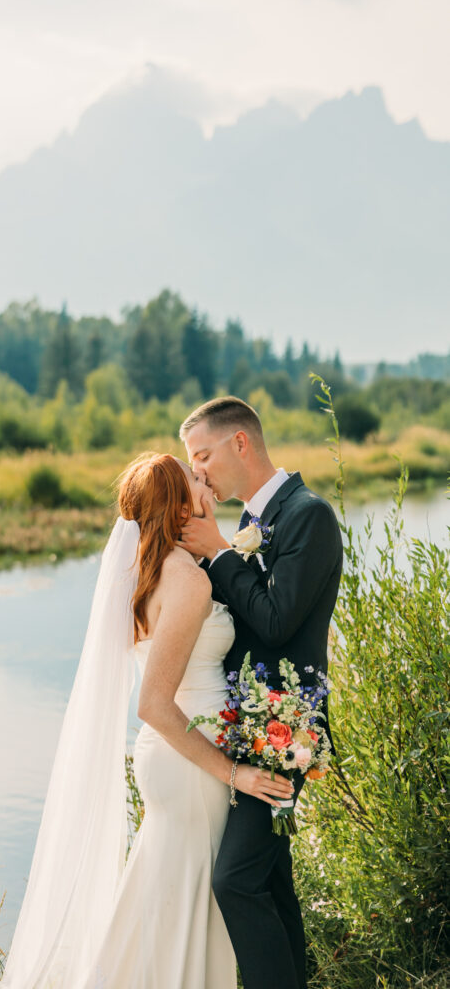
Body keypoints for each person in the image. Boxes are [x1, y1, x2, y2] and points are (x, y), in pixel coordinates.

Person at [0, 451, 294, 989]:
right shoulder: (187, 582)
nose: (203, 479)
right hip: (192, 762)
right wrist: (235, 773)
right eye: (193, 478)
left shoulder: (156, 573)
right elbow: (153, 704)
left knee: (165, 898)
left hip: (175, 757)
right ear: (180, 508)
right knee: (188, 909)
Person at [178, 396, 343, 989]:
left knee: (235, 880)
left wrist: (220, 551)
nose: (198, 471)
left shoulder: (309, 515)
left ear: (240, 443)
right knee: (270, 880)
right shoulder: (248, 524)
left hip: (285, 730)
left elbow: (275, 621)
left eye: (203, 456)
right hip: (241, 724)